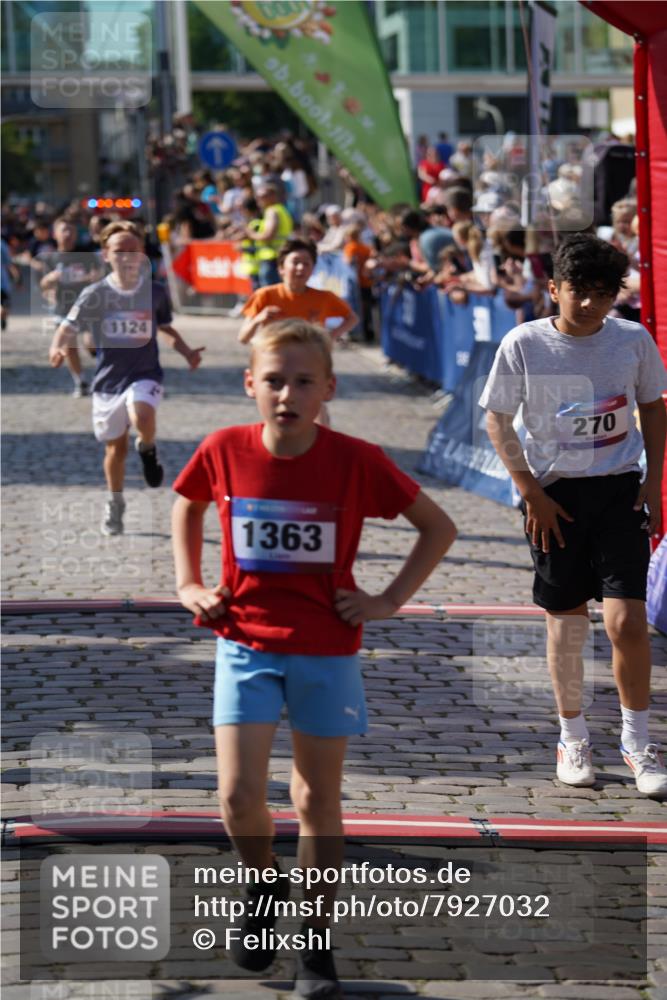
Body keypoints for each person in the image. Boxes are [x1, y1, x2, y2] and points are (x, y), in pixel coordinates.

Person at [171, 319, 457, 997]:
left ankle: (314, 944)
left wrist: (386, 599)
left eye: (303, 382)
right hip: (244, 643)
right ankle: (264, 879)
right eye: (273, 380)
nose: (286, 394)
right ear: (250, 385)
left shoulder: (356, 459)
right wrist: (188, 581)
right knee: (239, 798)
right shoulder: (223, 448)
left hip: (327, 651)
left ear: (327, 388)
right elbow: (187, 504)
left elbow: (437, 527)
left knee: (313, 798)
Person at [479, 234, 667, 797]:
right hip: (553, 497)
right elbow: (497, 421)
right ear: (553, 289)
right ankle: (573, 736)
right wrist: (530, 491)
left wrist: (654, 480)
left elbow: (653, 409)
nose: (588, 304)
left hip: (618, 492)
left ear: (617, 296)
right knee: (565, 622)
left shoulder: (633, 340)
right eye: (578, 292)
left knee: (627, 623)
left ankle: (638, 741)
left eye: (602, 294)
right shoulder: (523, 343)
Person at [48, 220, 204, 536]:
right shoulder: (95, 294)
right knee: (115, 451)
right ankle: (115, 503)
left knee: (143, 413)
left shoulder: (155, 293)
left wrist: (186, 351)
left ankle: (147, 447)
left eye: (134, 250)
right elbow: (68, 326)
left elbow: (166, 329)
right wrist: (57, 346)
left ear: (143, 254)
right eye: (120, 251)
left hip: (145, 373)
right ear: (106, 255)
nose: (127, 256)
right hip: (107, 381)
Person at [238, 237, 358, 346]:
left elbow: (352, 318)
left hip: (309, 363)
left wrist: (331, 336)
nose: (301, 268)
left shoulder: (324, 297)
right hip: (275, 361)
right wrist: (258, 320)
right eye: (295, 262)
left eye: (306, 263)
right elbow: (243, 338)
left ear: (313, 269)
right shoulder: (264, 295)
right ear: (281, 268)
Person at [37, 217, 103, 396]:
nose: (68, 234)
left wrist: (92, 277)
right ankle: (80, 381)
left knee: (91, 342)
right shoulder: (50, 258)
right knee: (69, 346)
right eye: (64, 230)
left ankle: (105, 371)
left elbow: (99, 275)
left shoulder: (85, 253)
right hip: (63, 307)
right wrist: (49, 279)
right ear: (55, 234)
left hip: (88, 305)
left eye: (71, 231)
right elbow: (42, 284)